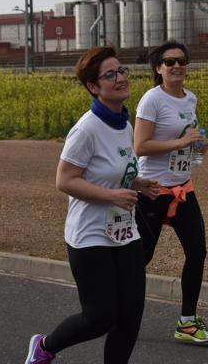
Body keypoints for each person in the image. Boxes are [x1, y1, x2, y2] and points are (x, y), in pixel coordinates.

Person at [24, 46, 159, 364]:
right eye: (109, 75)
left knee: (130, 317)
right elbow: (65, 180)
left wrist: (138, 183)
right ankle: (44, 347)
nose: (120, 78)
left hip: (125, 232)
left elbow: (114, 171)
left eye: (121, 70)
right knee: (100, 318)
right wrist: (113, 196)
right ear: (93, 87)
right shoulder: (86, 129)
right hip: (90, 236)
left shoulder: (123, 125)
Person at [134, 40, 208, 344]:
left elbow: (189, 138)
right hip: (152, 189)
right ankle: (114, 309)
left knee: (197, 251)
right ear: (159, 68)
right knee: (141, 257)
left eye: (182, 61)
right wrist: (179, 143)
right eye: (169, 62)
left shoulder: (190, 98)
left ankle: (187, 323)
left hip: (183, 188)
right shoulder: (151, 100)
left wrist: (199, 144)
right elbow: (140, 146)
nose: (177, 66)